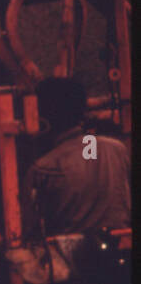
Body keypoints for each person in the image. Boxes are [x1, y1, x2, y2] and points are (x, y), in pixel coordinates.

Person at [21, 77, 130, 239]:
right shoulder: (116, 149)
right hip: (121, 247)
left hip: (67, 258)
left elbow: (30, 233)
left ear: (43, 117)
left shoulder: (42, 169)